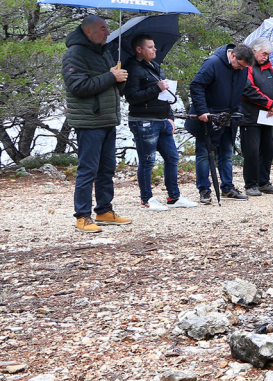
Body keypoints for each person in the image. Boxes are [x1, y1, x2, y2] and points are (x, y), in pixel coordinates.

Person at [62, 15, 131, 232]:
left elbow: (111, 86)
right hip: (89, 121)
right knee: (88, 170)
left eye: (107, 28)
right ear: (89, 31)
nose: (108, 32)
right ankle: (82, 216)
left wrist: (120, 79)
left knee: (106, 168)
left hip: (108, 119)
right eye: (103, 28)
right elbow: (78, 86)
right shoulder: (74, 53)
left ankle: (104, 211)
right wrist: (111, 77)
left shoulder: (105, 52)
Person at [123, 33, 197, 211]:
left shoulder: (155, 66)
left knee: (172, 157)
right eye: (150, 47)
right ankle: (146, 199)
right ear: (139, 49)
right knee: (147, 160)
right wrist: (156, 87)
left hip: (162, 119)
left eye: (154, 46)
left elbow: (165, 96)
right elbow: (131, 97)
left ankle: (174, 197)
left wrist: (170, 117)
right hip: (144, 121)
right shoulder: (132, 68)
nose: (154, 49)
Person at [188, 43, 253, 202]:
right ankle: (204, 190)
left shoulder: (242, 68)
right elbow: (197, 86)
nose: (240, 69)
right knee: (204, 154)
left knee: (226, 154)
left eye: (243, 67)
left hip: (229, 117)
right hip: (209, 116)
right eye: (239, 65)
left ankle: (227, 188)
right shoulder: (212, 63)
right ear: (233, 56)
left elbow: (239, 89)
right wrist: (202, 110)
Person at [239, 38, 273, 196]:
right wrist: (269, 103)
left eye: (268, 54)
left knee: (267, 150)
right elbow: (248, 89)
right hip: (250, 116)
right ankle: (250, 184)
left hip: (267, 116)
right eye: (264, 53)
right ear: (254, 51)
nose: (266, 56)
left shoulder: (270, 68)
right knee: (251, 151)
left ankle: (264, 181)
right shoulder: (247, 67)